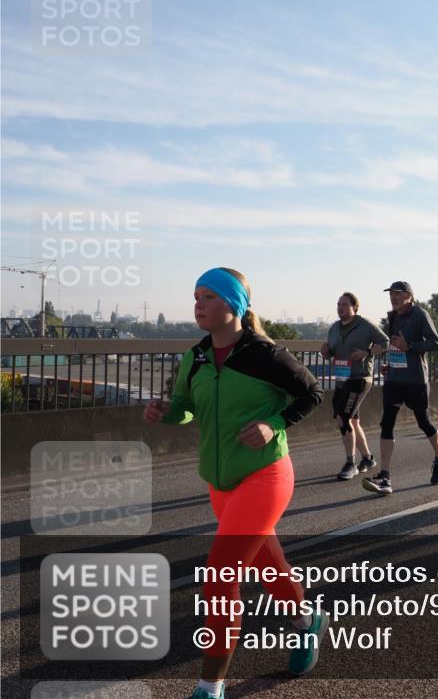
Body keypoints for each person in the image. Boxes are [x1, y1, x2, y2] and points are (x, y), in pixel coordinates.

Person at [144, 267, 327, 697]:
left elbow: (312, 393)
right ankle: (307, 622)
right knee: (269, 566)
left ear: (232, 305)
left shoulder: (266, 354)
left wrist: (274, 424)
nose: (197, 304)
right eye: (195, 296)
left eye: (207, 296)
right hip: (220, 483)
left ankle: (210, 686)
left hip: (265, 475)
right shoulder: (197, 357)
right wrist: (167, 412)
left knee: (220, 574)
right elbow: (187, 408)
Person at [362, 282, 438, 495]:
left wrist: (409, 345)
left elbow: (435, 344)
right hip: (394, 379)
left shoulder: (420, 314)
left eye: (397, 294)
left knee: (423, 421)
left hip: (415, 380)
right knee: (387, 423)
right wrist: (390, 362)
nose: (393, 298)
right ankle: (384, 476)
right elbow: (395, 344)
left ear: (408, 296)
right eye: (391, 294)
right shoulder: (393, 316)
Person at [321, 292, 389, 480]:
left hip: (360, 378)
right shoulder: (334, 328)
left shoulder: (365, 325)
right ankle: (367, 458)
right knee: (352, 420)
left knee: (343, 417)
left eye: (344, 304)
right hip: (342, 379)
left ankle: (350, 463)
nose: (340, 307)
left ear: (354, 307)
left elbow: (385, 342)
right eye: (338, 304)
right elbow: (331, 352)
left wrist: (367, 352)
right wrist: (325, 352)